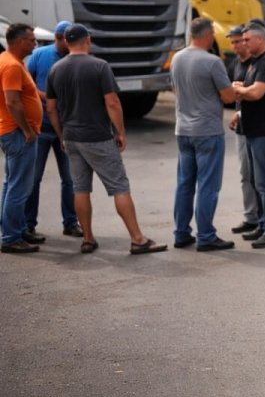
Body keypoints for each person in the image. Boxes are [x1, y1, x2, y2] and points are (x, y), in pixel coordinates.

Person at [46, 24, 166, 255]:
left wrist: (61, 134)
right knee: (119, 186)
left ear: (67, 42)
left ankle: (88, 238)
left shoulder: (56, 69)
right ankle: (138, 239)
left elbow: (51, 108)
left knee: (80, 188)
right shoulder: (99, 66)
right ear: (87, 40)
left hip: (71, 137)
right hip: (97, 136)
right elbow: (112, 102)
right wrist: (120, 131)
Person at [170, 18, 236, 251]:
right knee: (208, 185)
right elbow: (228, 96)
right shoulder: (212, 62)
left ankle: (181, 233)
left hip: (183, 130)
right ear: (207, 35)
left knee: (184, 184)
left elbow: (175, 89)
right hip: (207, 130)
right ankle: (206, 236)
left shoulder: (177, 58)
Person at [25, 20, 81, 239]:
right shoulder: (40, 55)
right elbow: (27, 83)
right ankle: (29, 224)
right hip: (41, 127)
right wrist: (46, 97)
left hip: (67, 130)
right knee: (34, 178)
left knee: (70, 179)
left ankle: (70, 223)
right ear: (58, 38)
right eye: (64, 41)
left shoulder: (75, 58)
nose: (67, 44)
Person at [232, 20, 265, 248]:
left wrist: (237, 90)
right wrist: (242, 89)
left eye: (246, 39)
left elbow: (256, 93)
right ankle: (262, 225)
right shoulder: (256, 61)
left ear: (260, 39)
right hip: (253, 131)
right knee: (256, 180)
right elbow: (249, 88)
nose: (243, 43)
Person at [0, 23, 43, 254]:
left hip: (13, 131)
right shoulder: (11, 66)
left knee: (11, 184)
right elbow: (12, 102)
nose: (34, 43)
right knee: (19, 187)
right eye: (30, 39)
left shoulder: (11, 62)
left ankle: (11, 229)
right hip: (18, 134)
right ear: (18, 42)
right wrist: (27, 129)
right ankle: (11, 237)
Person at [225, 25, 260, 236]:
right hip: (242, 128)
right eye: (233, 42)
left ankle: (264, 221)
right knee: (245, 174)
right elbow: (229, 91)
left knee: (262, 177)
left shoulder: (258, 63)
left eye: (240, 41)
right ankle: (251, 217)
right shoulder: (235, 64)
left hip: (259, 128)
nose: (237, 46)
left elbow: (257, 94)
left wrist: (237, 90)